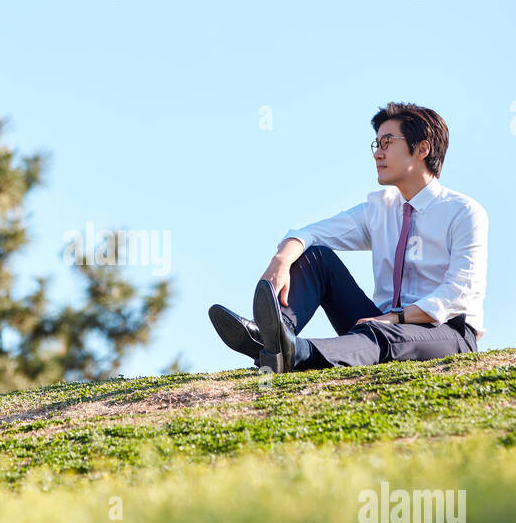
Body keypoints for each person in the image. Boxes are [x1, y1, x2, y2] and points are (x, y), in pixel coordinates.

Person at [208, 102, 487, 373]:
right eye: (376, 144)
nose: (378, 153)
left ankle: (297, 353)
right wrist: (280, 260)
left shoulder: (463, 213)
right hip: (377, 326)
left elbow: (456, 293)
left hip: (447, 333)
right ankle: (273, 338)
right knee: (318, 256)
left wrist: (394, 318)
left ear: (422, 148)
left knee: (380, 332)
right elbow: (311, 234)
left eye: (387, 143)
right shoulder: (380, 210)